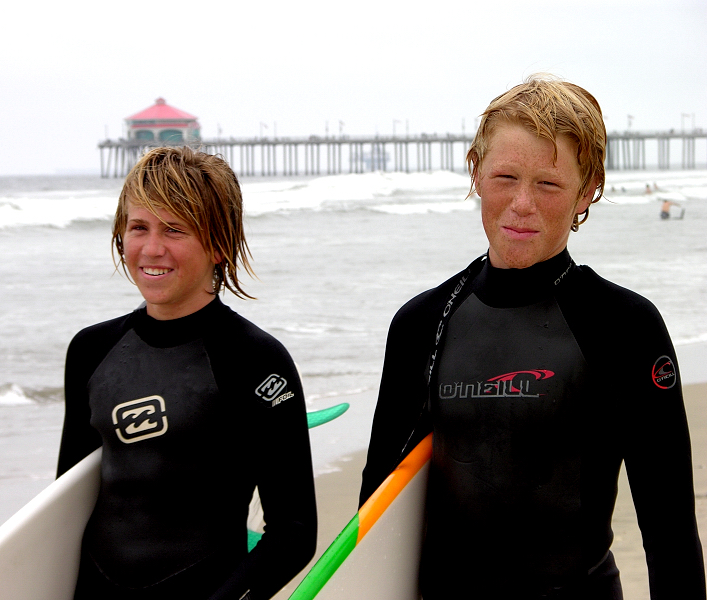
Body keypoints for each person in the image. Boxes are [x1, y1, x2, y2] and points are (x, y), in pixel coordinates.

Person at [359, 76, 705, 599]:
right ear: (475, 171)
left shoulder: (623, 325)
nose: (522, 204)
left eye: (548, 184)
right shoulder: (421, 323)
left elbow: (670, 527)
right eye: (505, 177)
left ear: (588, 188)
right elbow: (377, 519)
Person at [57, 147, 317, 600]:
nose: (152, 249)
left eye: (175, 229)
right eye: (138, 227)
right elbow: (63, 509)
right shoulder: (91, 350)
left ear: (218, 244)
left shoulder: (256, 360)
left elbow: (294, 530)